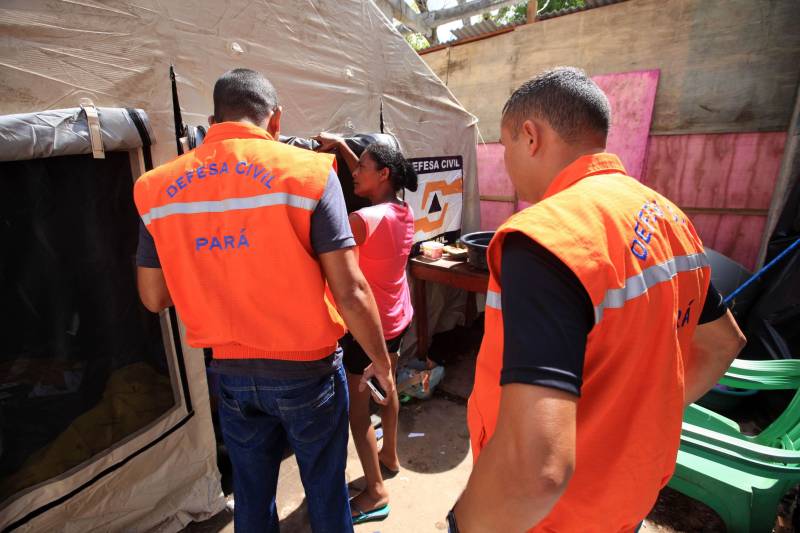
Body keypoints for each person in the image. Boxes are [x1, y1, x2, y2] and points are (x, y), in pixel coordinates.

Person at [448, 67, 747, 532]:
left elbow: (537, 474)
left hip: (557, 517)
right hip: (630, 494)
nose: (505, 162)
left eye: (504, 145)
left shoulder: (545, 238)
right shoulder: (668, 216)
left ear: (530, 136)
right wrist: (635, 420)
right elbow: (724, 343)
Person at [133, 68, 394, 533]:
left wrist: (207, 263)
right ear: (276, 120)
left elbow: (154, 297)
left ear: (213, 120)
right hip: (308, 372)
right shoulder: (309, 173)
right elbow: (351, 291)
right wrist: (381, 361)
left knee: (252, 499)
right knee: (326, 492)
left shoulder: (156, 187)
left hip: (229, 373)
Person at [314, 134, 417, 525]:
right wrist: (343, 146)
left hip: (365, 329)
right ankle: (389, 455)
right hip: (396, 318)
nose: (354, 172)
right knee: (386, 385)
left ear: (384, 173)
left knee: (358, 414)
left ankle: (375, 491)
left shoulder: (361, 220)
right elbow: (372, 178)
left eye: (362, 168)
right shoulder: (401, 210)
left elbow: (333, 260)